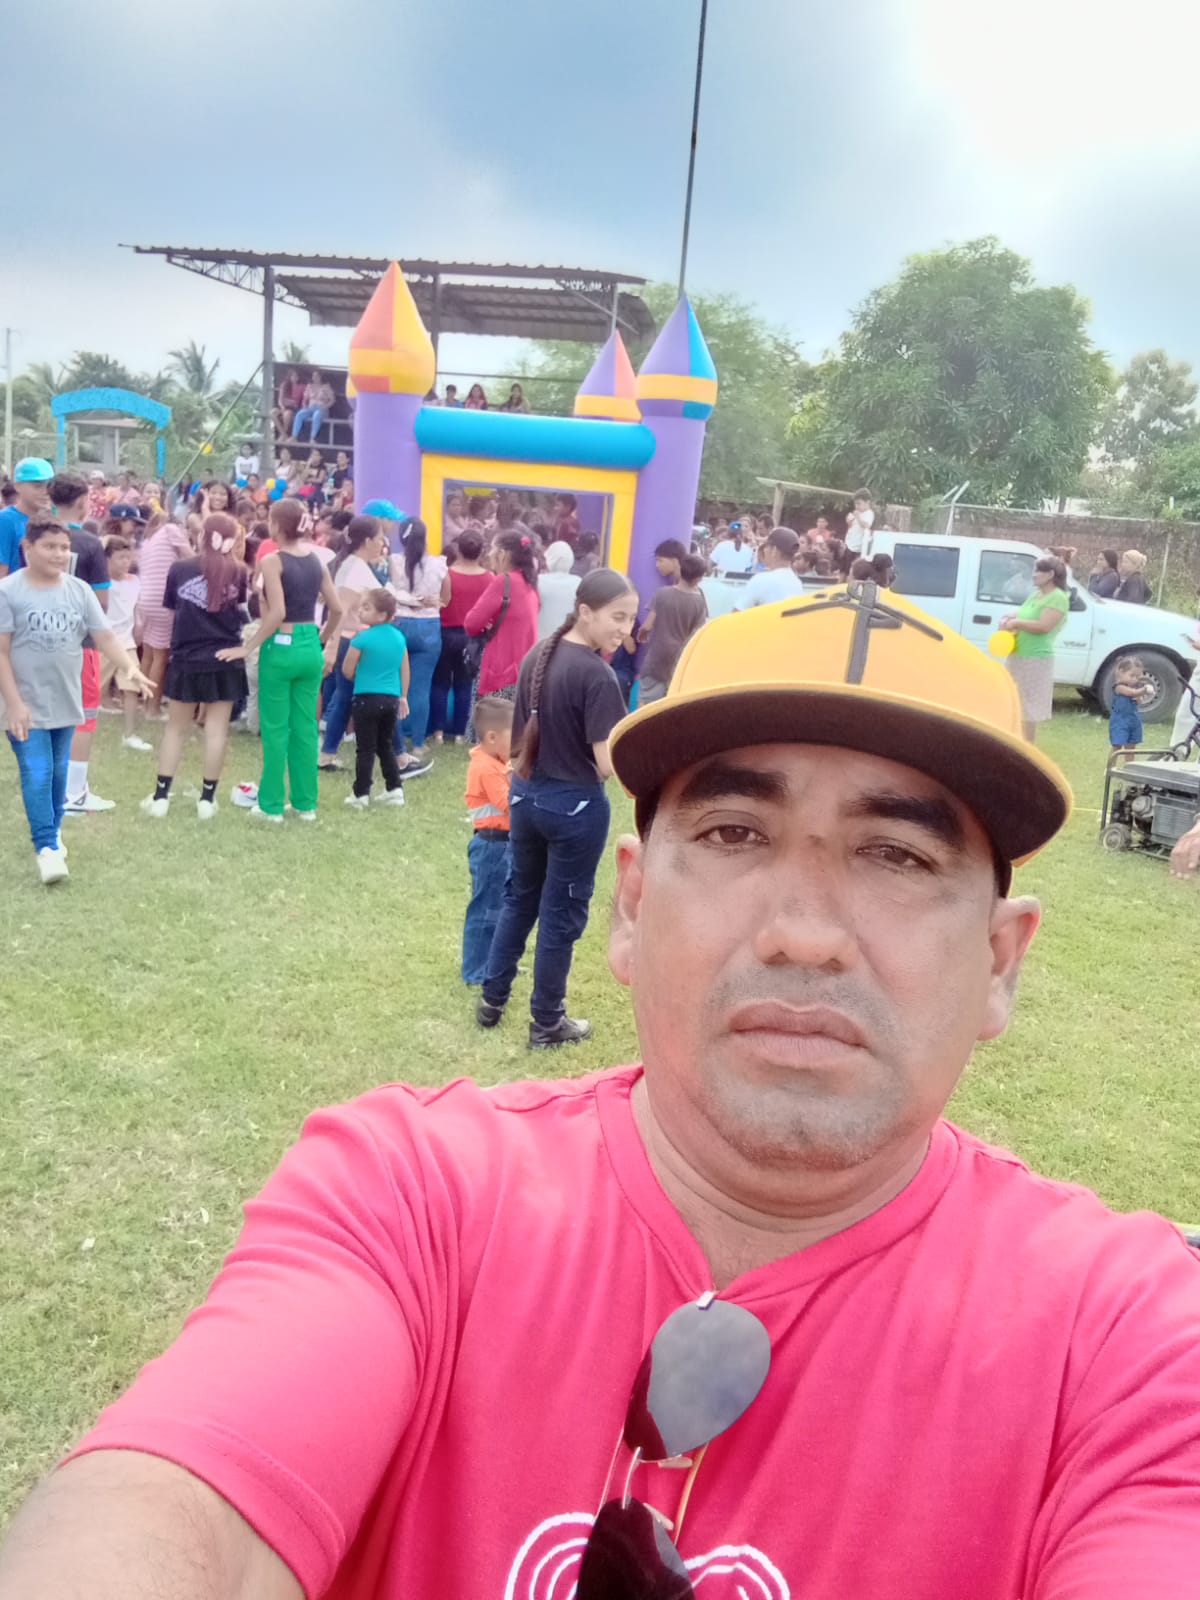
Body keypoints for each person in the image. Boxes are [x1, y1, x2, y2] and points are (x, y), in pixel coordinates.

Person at [6, 574, 1200, 1596]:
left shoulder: (1131, 1341)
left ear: (999, 962)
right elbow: (173, 1506)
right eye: (734, 833)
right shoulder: (416, 1198)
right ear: (630, 903)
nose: (804, 931)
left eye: (896, 853)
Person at [478, 568, 637, 1048]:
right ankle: (547, 1023)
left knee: (519, 899)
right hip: (574, 809)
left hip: (527, 797)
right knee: (559, 916)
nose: (625, 629)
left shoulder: (539, 654)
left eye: (631, 619)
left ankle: (491, 1000)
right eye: (617, 617)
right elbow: (607, 764)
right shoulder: (597, 675)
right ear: (585, 612)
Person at [0, 517, 152, 883]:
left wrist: (130, 668)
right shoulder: (8, 592)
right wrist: (14, 703)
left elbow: (105, 636)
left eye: (64, 548)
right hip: (24, 703)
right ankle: (47, 847)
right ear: (28, 548)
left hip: (65, 700)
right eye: (49, 547)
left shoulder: (79, 590)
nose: (58, 554)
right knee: (37, 771)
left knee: (57, 773)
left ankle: (52, 835)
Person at [239, 499, 344, 822]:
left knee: (275, 729)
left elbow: (277, 612)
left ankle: (271, 805)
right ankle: (305, 803)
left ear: (276, 525)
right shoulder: (317, 560)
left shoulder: (272, 561)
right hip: (309, 644)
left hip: (280, 646)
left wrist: (249, 646)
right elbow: (337, 609)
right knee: (305, 728)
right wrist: (321, 639)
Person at [140, 514, 249, 822]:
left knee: (176, 729)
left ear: (203, 536)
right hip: (226, 658)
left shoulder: (180, 569)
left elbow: (172, 608)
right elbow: (240, 612)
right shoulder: (240, 571)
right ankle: (207, 800)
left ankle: (160, 797)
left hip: (186, 657)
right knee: (216, 731)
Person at [318, 516, 391, 773]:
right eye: (380, 538)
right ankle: (399, 757)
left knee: (346, 698)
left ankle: (327, 754)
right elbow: (339, 611)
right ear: (367, 541)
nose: (383, 543)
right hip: (353, 643)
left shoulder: (354, 565)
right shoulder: (354, 570)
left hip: (353, 642)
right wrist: (331, 648)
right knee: (377, 696)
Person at [461, 695, 514, 985]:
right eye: (513, 737)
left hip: (503, 845)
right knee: (485, 912)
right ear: (492, 737)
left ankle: (494, 963)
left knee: (502, 909)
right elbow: (509, 803)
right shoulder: (485, 768)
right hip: (492, 846)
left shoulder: (497, 764)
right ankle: (475, 970)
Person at [340, 589, 409, 810]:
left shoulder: (361, 638)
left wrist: (362, 675)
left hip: (366, 697)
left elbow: (347, 669)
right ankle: (394, 788)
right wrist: (403, 695)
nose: (360, 611)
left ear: (382, 615)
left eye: (366, 607)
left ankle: (361, 793)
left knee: (365, 748)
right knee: (385, 744)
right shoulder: (399, 637)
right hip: (391, 698)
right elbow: (404, 668)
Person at [388, 518, 445, 773]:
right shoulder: (439, 564)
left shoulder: (392, 562)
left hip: (398, 623)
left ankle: (396, 740)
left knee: (395, 684)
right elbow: (445, 598)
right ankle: (419, 743)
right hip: (428, 626)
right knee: (420, 687)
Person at [464, 530, 540, 708]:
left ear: (503, 554)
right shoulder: (530, 582)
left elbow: (471, 624)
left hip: (501, 672)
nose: (489, 554)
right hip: (524, 671)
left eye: (492, 549)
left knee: (490, 721)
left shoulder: (503, 582)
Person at [429, 528, 491, 746]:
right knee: (465, 684)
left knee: (440, 682)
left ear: (458, 549)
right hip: (472, 637)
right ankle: (459, 733)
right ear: (481, 551)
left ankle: (437, 732)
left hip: (445, 633)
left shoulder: (446, 575)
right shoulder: (489, 578)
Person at [999, 555, 1070, 743]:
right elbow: (1021, 612)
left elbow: (1044, 626)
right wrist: (1008, 618)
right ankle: (1013, 743)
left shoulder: (1058, 597)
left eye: (1038, 571)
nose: (1034, 575)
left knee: (1028, 710)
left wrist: (1017, 623)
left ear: (1051, 574)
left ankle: (1026, 748)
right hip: (1017, 653)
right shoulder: (1035, 595)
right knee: (1014, 702)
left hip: (1035, 659)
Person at [97, 537, 151, 751]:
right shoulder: (102, 584)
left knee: (132, 688)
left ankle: (129, 734)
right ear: (107, 559)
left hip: (126, 643)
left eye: (128, 557)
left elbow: (136, 608)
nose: (125, 562)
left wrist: (139, 624)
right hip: (103, 643)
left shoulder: (135, 581)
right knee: (90, 690)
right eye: (120, 557)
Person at [136, 513, 192, 716]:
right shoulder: (171, 531)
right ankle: (153, 707)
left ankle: (142, 701)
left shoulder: (148, 541)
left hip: (146, 599)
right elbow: (192, 558)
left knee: (148, 654)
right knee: (161, 656)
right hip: (163, 600)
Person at [637, 553, 708, 704]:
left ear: (681, 569)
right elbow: (697, 634)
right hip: (678, 661)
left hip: (656, 658)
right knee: (670, 705)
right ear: (699, 578)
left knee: (646, 703)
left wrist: (642, 633)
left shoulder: (662, 593)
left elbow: (647, 625)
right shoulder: (699, 602)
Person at [0, 457, 53, 577]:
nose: (45, 492)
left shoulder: (50, 521)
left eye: (49, 486)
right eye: (37, 486)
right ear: (17, 486)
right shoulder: (5, 520)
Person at [736, 527, 804, 608]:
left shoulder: (761, 580)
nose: (764, 550)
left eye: (766, 546)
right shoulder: (797, 584)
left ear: (774, 550)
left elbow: (737, 613)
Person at [1108, 655, 1151, 756]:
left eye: (1138, 677)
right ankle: (1111, 764)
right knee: (1117, 746)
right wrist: (1144, 689)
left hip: (1133, 719)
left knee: (1131, 746)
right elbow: (1131, 693)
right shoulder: (1119, 687)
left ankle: (1129, 764)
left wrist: (1139, 698)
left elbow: (1139, 701)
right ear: (1121, 672)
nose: (1135, 679)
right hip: (1120, 721)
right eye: (1132, 676)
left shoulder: (1135, 688)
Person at [536, 539, 579, 639]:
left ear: (549, 559)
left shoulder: (538, 581)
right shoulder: (579, 583)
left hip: (541, 641)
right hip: (567, 641)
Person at [291, 371, 336, 443]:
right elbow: (304, 399)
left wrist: (326, 406)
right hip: (311, 408)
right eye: (313, 376)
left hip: (321, 409)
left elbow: (332, 400)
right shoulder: (309, 386)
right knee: (299, 414)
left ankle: (312, 438)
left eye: (316, 376)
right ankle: (294, 437)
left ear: (320, 377)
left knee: (317, 415)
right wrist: (304, 405)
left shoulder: (326, 387)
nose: (314, 378)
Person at [844, 488, 875, 555]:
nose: (856, 506)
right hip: (849, 545)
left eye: (859, 503)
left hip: (858, 549)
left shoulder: (869, 513)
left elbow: (867, 526)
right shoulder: (857, 513)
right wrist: (849, 523)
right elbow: (852, 528)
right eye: (855, 504)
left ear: (867, 502)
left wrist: (858, 517)